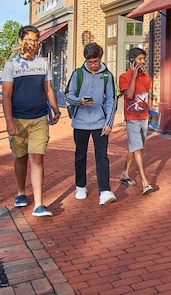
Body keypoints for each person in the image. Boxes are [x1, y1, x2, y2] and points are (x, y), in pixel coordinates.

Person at [1, 25, 61, 217]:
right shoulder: (11, 65)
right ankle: (21, 192)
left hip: (39, 118)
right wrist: (9, 121)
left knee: (37, 158)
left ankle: (39, 204)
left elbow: (48, 89)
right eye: (28, 40)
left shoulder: (43, 63)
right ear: (20, 41)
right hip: (18, 119)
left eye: (35, 40)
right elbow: (6, 96)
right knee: (20, 157)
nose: (32, 44)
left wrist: (55, 108)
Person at [65, 42, 117, 205]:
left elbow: (111, 100)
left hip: (100, 123)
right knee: (80, 155)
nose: (93, 65)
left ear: (100, 59)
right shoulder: (77, 73)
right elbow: (67, 95)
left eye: (96, 61)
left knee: (102, 157)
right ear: (86, 60)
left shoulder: (107, 75)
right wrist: (79, 101)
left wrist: (109, 123)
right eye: (90, 62)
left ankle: (105, 191)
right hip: (80, 123)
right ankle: (80, 186)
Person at [118, 47, 154, 195]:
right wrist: (133, 76)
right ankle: (145, 182)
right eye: (140, 59)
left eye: (143, 59)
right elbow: (130, 94)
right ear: (132, 61)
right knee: (138, 148)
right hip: (132, 118)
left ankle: (124, 173)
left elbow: (147, 95)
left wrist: (151, 113)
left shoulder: (146, 76)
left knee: (135, 147)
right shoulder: (124, 77)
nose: (143, 61)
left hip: (144, 117)